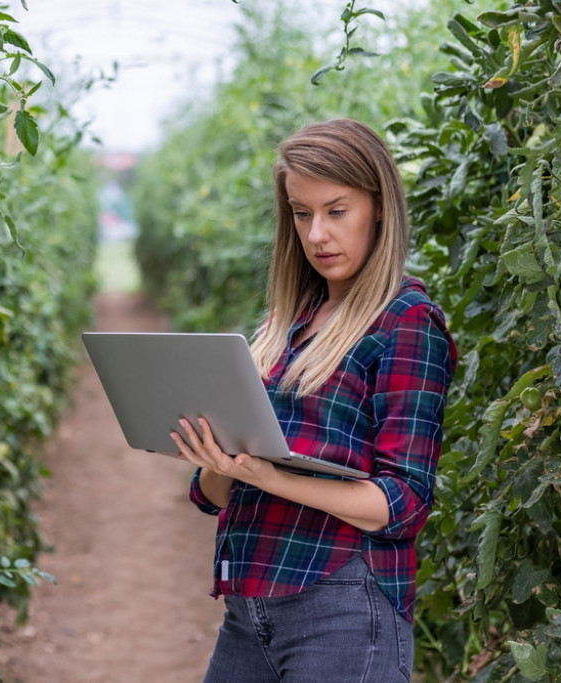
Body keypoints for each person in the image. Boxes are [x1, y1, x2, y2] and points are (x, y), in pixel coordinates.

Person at [170, 118, 457, 683]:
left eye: (336, 210)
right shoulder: (288, 322)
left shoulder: (405, 321)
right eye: (302, 214)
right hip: (250, 611)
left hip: (344, 612)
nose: (318, 234)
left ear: (378, 206)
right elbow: (212, 496)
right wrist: (217, 461)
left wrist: (271, 476)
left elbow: (404, 500)